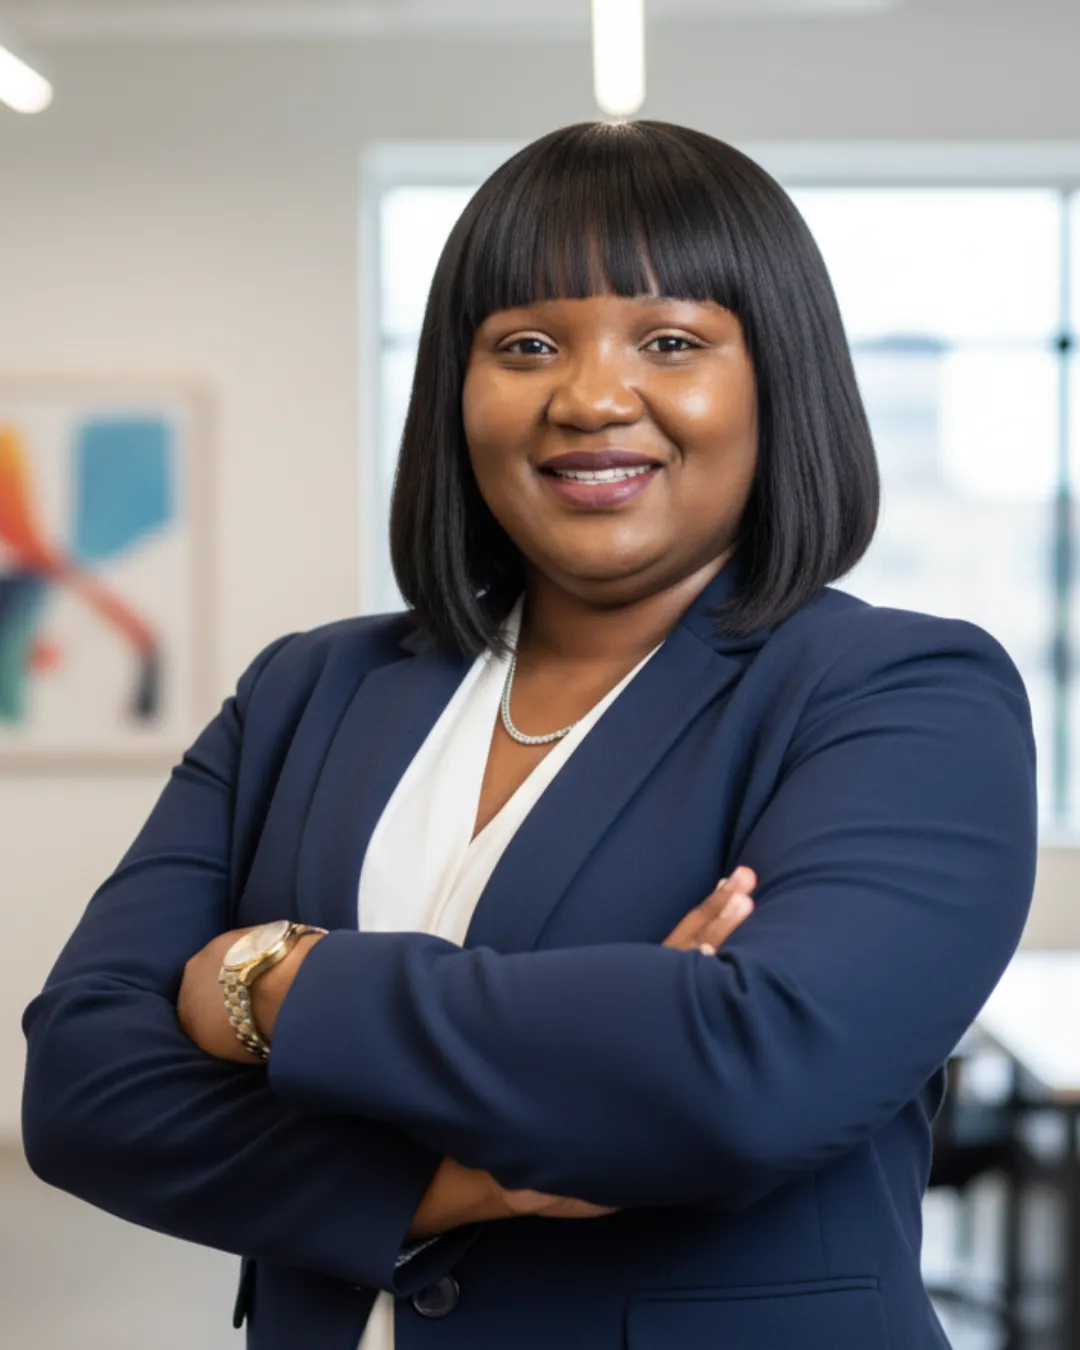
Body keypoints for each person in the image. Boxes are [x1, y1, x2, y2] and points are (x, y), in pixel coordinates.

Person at [21, 120, 1036, 1350]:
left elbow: (747, 1077)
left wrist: (269, 980)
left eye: (671, 341)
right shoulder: (308, 690)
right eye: (527, 345)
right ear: (459, 387)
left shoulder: (897, 693)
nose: (592, 396)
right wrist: (453, 1179)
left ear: (778, 380)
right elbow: (84, 1089)